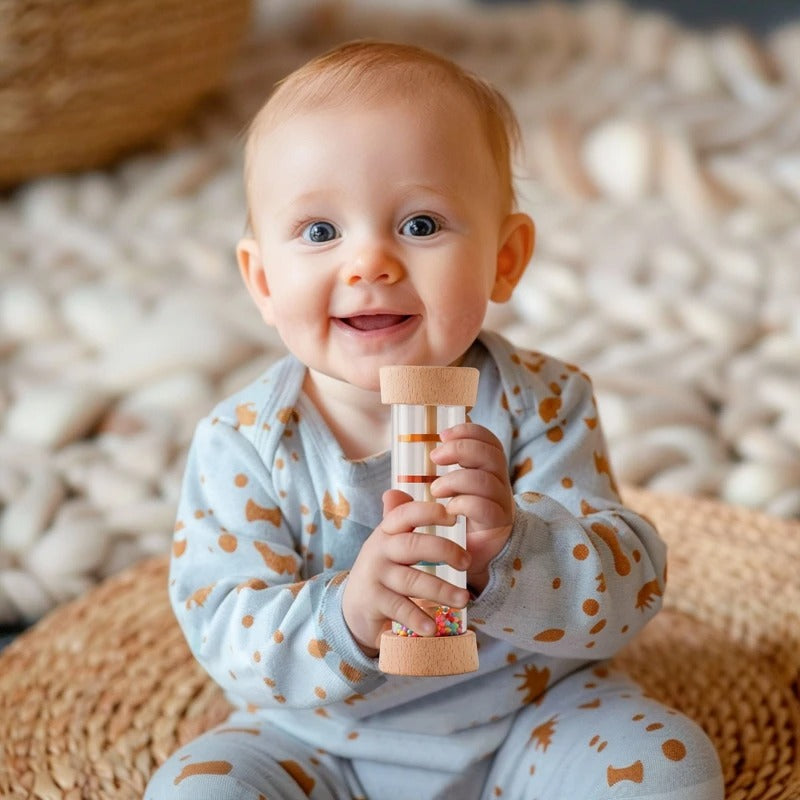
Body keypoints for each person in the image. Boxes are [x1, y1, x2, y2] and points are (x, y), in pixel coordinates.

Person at [146, 40, 724, 800]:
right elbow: (224, 629)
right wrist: (349, 611)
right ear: (261, 280)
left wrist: (510, 548)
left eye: (420, 224)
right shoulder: (246, 441)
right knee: (194, 792)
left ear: (505, 259)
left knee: (670, 766)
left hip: (533, 716)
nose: (370, 264)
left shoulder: (542, 403)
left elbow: (627, 595)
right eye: (321, 232)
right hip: (315, 739)